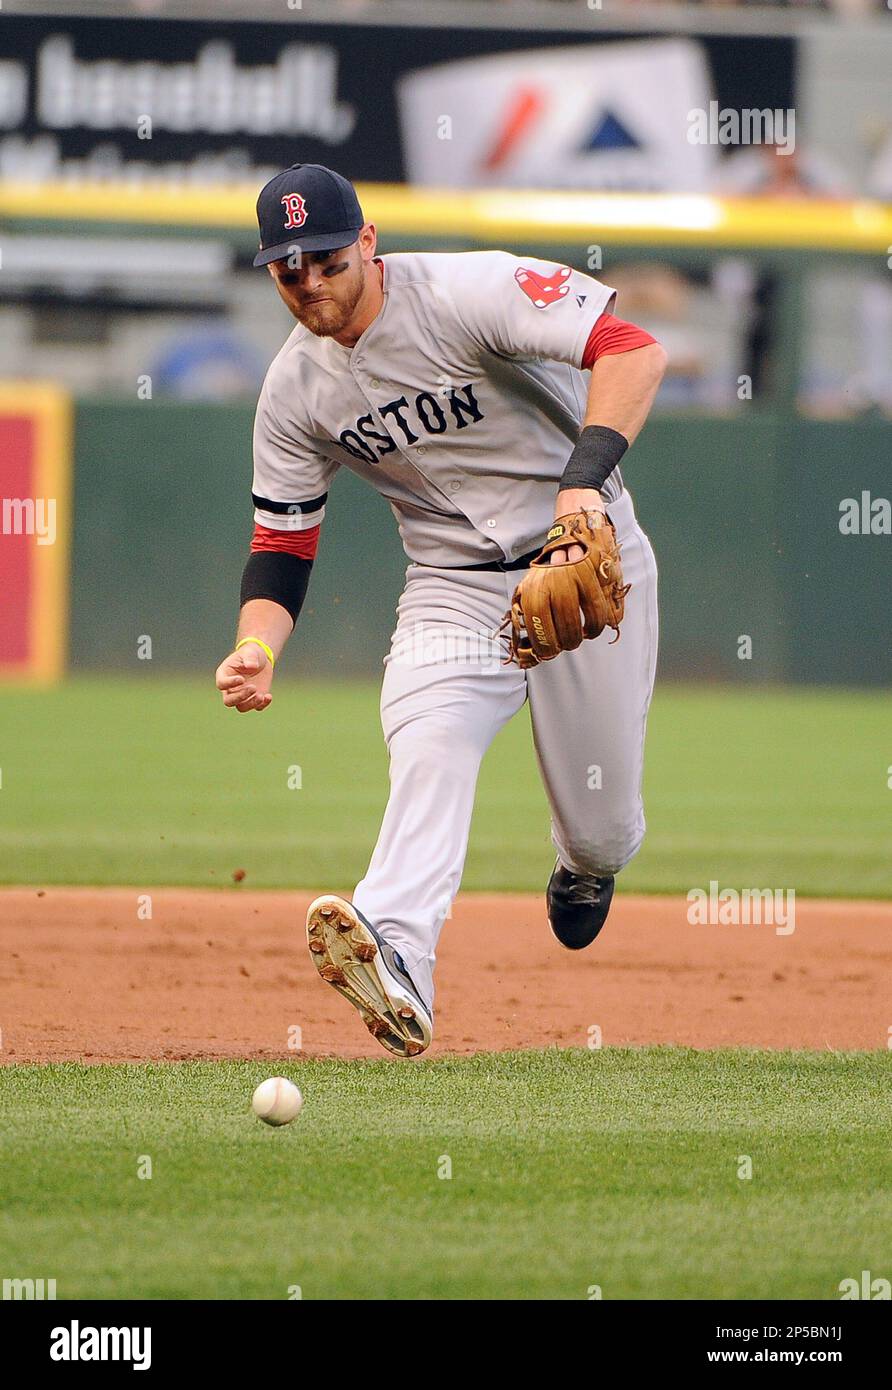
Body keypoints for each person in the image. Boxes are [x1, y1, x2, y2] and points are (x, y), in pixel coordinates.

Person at [215, 164, 666, 1057]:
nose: (310, 283)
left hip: (581, 556)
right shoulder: (294, 390)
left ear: (370, 242)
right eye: (287, 269)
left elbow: (632, 348)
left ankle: (587, 868)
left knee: (602, 823)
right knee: (428, 737)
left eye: (327, 260)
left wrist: (581, 488)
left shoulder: (467, 291)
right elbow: (282, 542)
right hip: (451, 583)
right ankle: (398, 951)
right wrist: (256, 646)